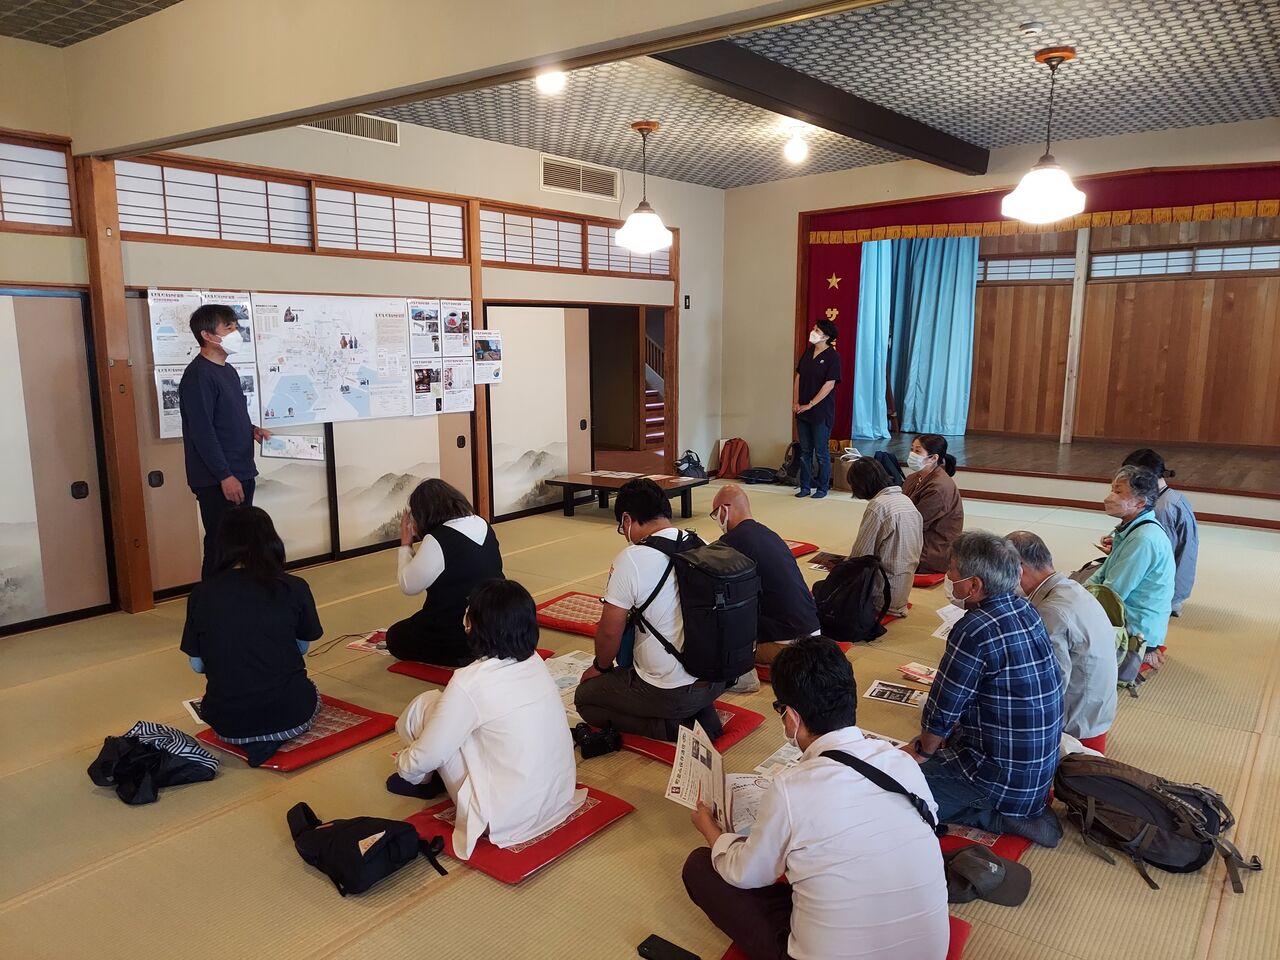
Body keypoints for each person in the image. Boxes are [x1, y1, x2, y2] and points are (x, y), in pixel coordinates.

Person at [682, 637, 949, 960]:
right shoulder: (901, 762)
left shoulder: (791, 788)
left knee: (700, 866)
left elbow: (746, 874)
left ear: (792, 718)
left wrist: (711, 831)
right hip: (929, 952)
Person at [389, 579, 584, 859]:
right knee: (457, 720)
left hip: (504, 818)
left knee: (425, 706)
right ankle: (425, 775)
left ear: (475, 626)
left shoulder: (470, 682)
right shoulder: (535, 662)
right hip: (557, 798)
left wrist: (404, 766)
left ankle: (419, 781)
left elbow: (430, 752)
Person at [906, 532, 1064, 847]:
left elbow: (942, 710)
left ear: (974, 585)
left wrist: (921, 752)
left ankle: (992, 815)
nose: (948, 576)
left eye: (952, 570)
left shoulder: (973, 629)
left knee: (891, 785)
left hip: (999, 784)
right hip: (1032, 773)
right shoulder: (1025, 608)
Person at [574, 478, 725, 740]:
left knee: (586, 698)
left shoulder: (632, 559)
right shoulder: (701, 543)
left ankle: (670, 727)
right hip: (717, 679)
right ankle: (699, 713)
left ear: (627, 519)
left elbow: (609, 632)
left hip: (668, 690)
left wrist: (600, 668)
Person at [180, 507, 322, 767]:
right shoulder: (294, 586)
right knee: (309, 689)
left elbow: (197, 665)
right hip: (290, 715)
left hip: (227, 723)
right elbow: (302, 647)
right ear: (272, 541)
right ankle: (268, 739)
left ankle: (256, 739)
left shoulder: (202, 593)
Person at [179, 303, 271, 578]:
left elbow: (225, 416)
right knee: (221, 546)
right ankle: (211, 601)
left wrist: (251, 430)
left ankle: (238, 597)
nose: (236, 333)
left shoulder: (227, 371)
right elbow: (202, 431)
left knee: (242, 543)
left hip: (241, 470)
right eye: (229, 328)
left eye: (236, 326)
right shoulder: (198, 375)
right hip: (218, 478)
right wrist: (224, 476)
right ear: (208, 335)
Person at [1008, 531, 1117, 745]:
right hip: (1096, 710)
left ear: (1019, 568)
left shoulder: (1051, 612)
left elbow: (1048, 687)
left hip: (1075, 724)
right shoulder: (1071, 588)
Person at [388, 479, 504, 666]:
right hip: (496, 624)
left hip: (459, 630)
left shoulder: (438, 539)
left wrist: (406, 544)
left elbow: (408, 585)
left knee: (395, 636)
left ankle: (464, 656)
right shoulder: (482, 523)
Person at [711, 484, 820, 673]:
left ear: (724, 511)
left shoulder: (731, 543)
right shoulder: (769, 534)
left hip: (788, 645)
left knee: (712, 646)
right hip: (813, 631)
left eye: (715, 514)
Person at [1087, 465, 1175, 660]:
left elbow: (1112, 593)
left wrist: (1075, 603)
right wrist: (1077, 591)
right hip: (1130, 616)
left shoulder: (1143, 539)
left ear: (1140, 502)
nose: (1109, 497)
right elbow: (1103, 573)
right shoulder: (1136, 527)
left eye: (1118, 492)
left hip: (1136, 632)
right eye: (1112, 490)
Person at [1122, 448, 1198, 616]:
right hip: (1178, 582)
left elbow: (1156, 554)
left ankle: (1169, 604)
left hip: (1165, 591)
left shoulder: (1161, 509)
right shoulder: (1173, 497)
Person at [846, 458, 923, 617]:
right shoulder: (906, 500)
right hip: (903, 589)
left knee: (827, 588)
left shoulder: (878, 506)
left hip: (881, 597)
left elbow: (861, 556)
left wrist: (841, 568)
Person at [792, 318, 842, 499]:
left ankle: (822, 488)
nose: (813, 332)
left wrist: (811, 404)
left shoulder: (832, 357)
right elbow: (798, 377)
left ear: (826, 336)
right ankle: (805, 486)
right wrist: (796, 401)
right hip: (802, 410)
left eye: (817, 330)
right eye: (814, 329)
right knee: (805, 451)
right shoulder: (808, 352)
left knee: (821, 452)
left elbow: (829, 385)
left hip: (821, 411)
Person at [902, 434, 963, 575]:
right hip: (915, 538)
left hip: (932, 551)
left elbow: (915, 523)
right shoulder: (913, 477)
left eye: (917, 451)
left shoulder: (938, 488)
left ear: (934, 458)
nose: (912, 454)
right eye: (911, 450)